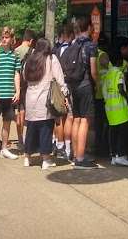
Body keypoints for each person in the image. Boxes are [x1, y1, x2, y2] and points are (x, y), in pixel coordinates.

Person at [21, 38, 68, 170]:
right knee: (45, 129)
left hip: (30, 99)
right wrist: (65, 94)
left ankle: (27, 157)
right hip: (45, 100)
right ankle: (45, 159)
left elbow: (24, 76)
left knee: (31, 128)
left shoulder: (30, 59)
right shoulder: (51, 59)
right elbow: (60, 79)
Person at [62, 15, 98, 169]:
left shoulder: (73, 44)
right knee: (85, 120)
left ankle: (76, 154)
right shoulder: (91, 45)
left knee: (76, 118)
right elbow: (94, 70)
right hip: (85, 85)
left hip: (73, 86)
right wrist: (97, 84)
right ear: (89, 28)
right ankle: (81, 158)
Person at [0, 26, 21, 159]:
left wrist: (18, 91)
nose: (4, 40)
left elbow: (16, 74)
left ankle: (4, 148)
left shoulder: (15, 55)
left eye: (7, 37)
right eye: (2, 37)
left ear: (12, 39)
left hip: (9, 95)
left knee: (7, 122)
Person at [99, 51, 128, 166]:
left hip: (110, 108)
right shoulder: (119, 73)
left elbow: (104, 90)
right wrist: (127, 97)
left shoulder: (108, 73)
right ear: (119, 61)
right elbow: (120, 88)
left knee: (113, 132)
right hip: (120, 108)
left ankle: (113, 156)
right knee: (122, 132)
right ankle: (121, 155)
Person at [52, 22, 75, 161]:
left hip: (56, 87)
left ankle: (58, 145)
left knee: (58, 117)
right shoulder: (72, 49)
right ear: (71, 35)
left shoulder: (56, 50)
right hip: (68, 86)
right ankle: (67, 147)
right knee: (69, 117)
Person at [12, 28, 34, 152]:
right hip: (28, 85)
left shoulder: (15, 51)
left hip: (16, 85)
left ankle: (20, 139)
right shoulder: (34, 52)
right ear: (30, 40)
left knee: (18, 113)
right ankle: (27, 139)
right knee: (25, 113)